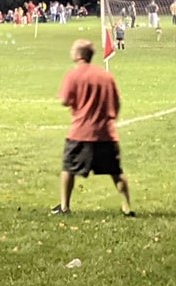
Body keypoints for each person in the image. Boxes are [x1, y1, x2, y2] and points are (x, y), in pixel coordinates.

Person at [53, 40, 133, 216]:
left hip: (80, 132)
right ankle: (127, 206)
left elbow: (64, 100)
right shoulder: (106, 76)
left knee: (68, 168)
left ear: (79, 55)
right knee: (115, 171)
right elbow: (117, 102)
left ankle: (64, 206)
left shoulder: (73, 75)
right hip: (106, 132)